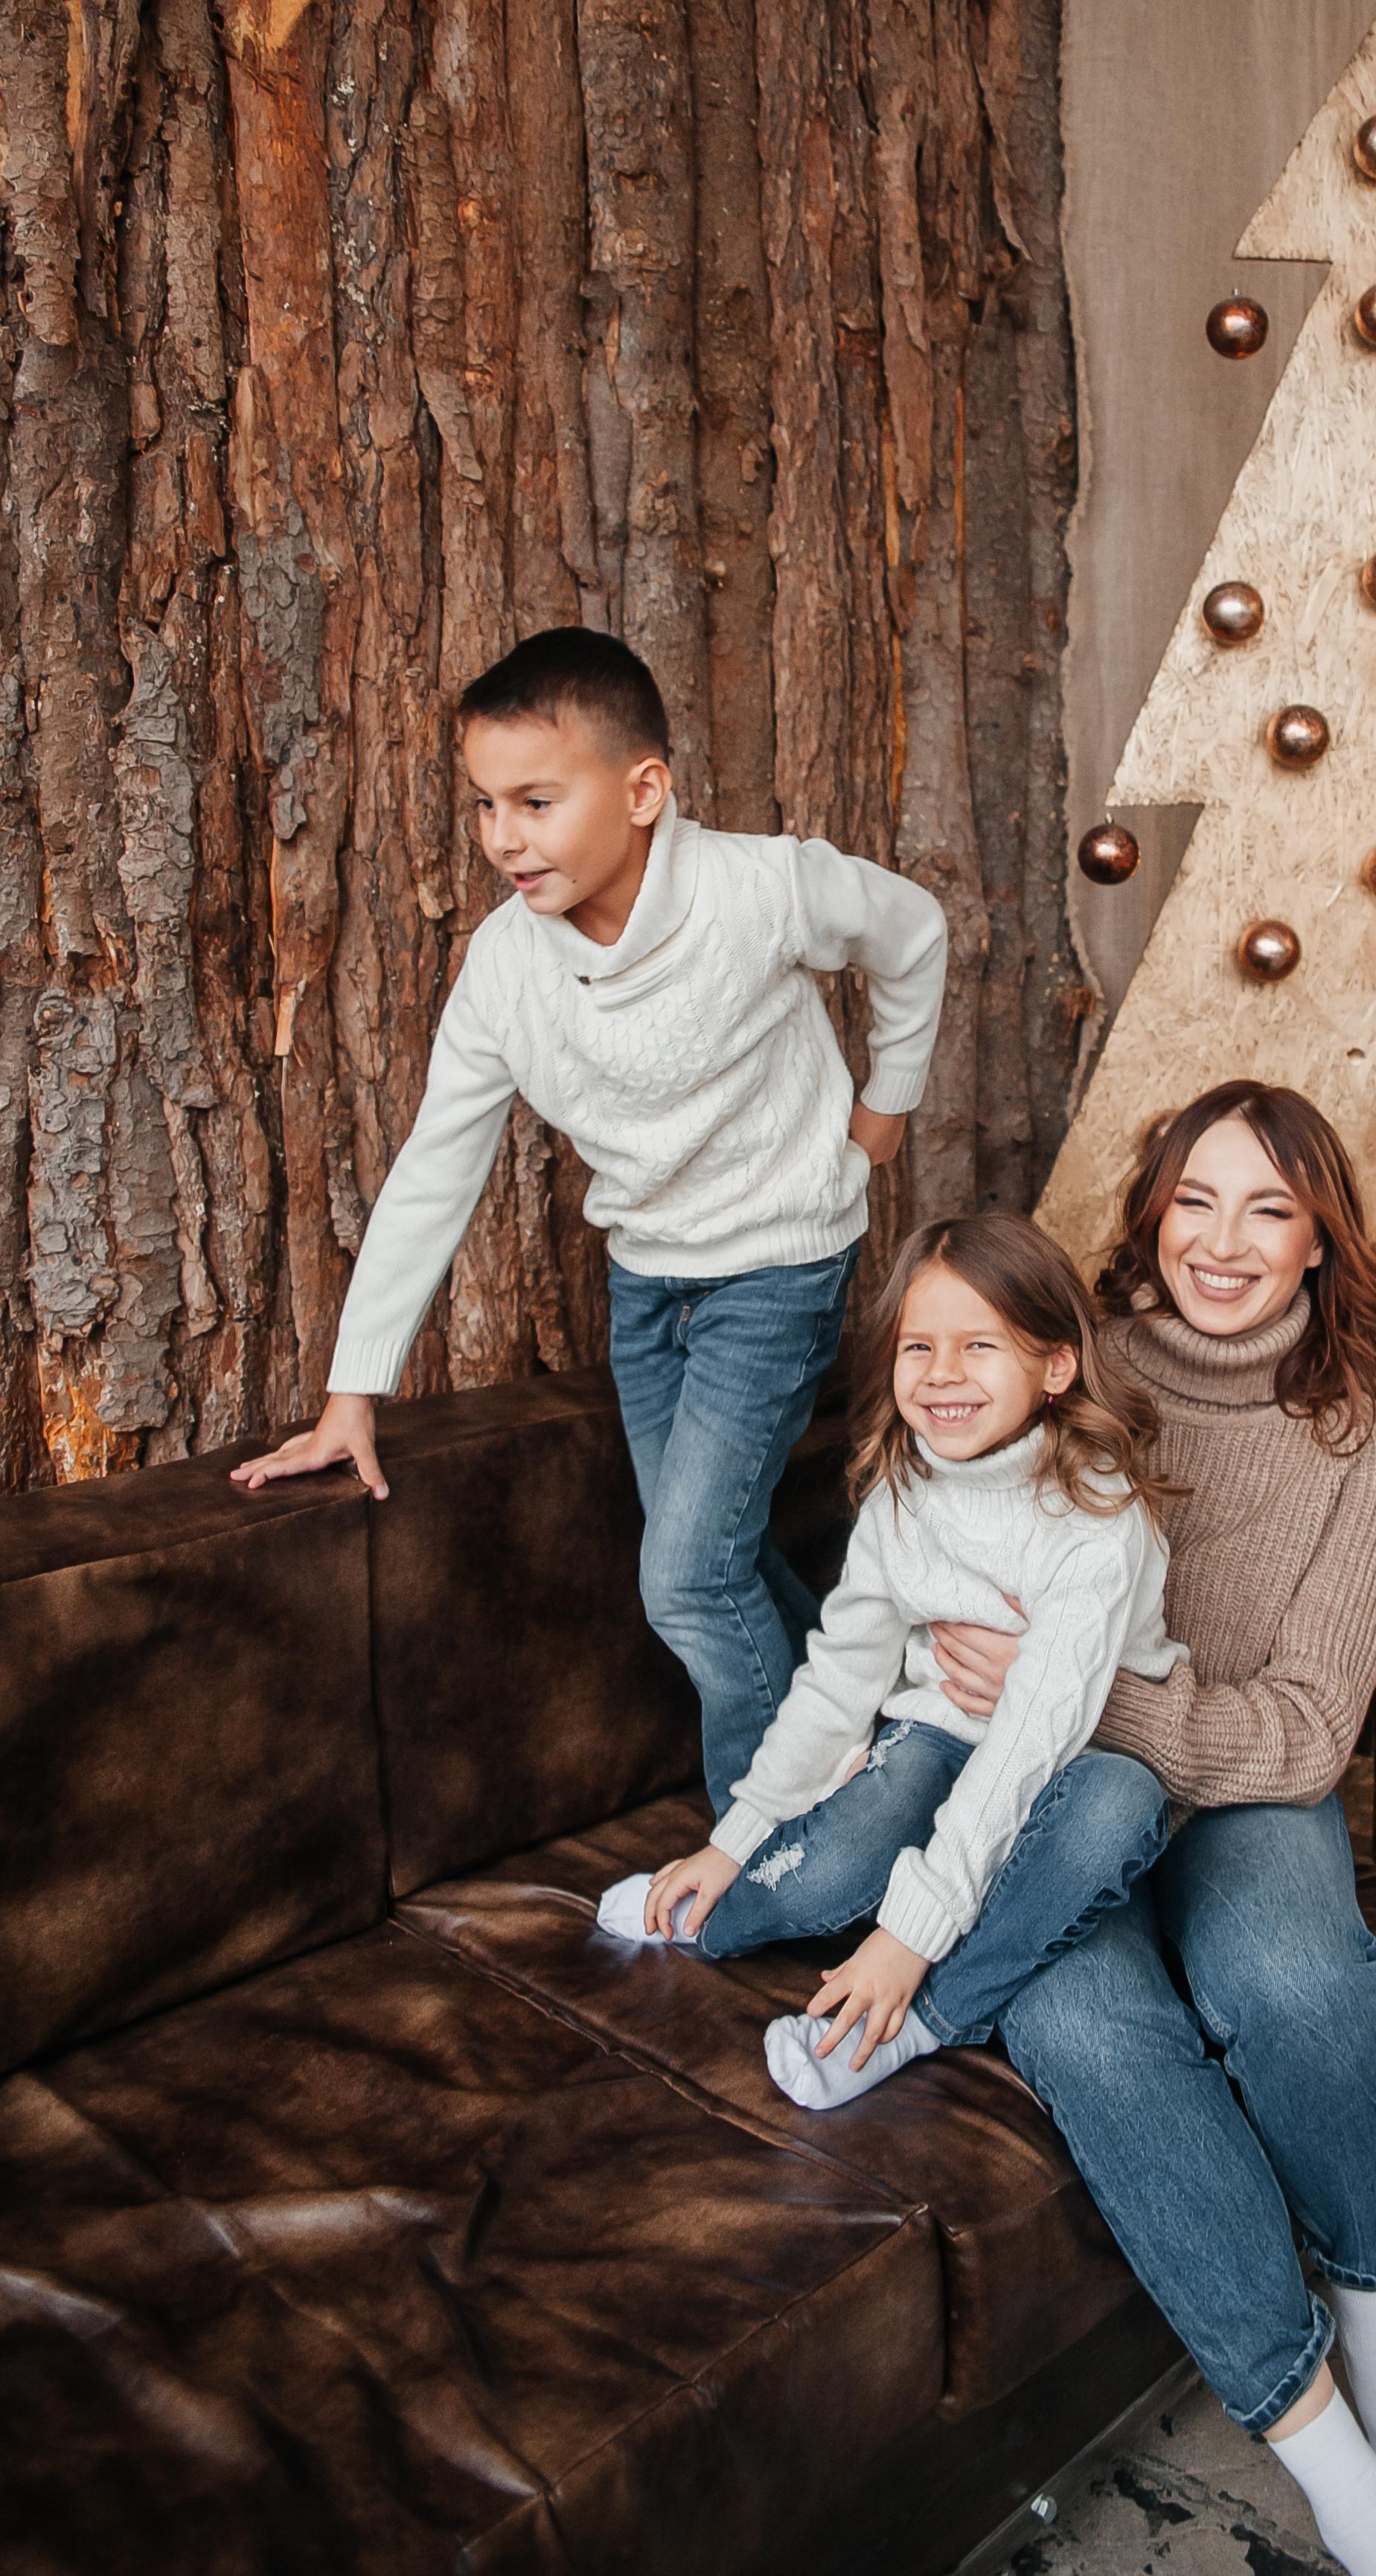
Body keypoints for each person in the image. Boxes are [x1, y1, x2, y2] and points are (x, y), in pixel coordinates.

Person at [929, 1085, 1376, 2576]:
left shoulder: (1351, 1439)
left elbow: (1306, 1729)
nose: (1222, 1242)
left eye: (1267, 1209)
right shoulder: (1070, 1364)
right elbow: (941, 1549)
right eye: (1194, 1201)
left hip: (1244, 1784)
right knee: (1089, 2029)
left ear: (1319, 1239)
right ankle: (1348, 2494)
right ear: (1151, 1214)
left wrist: (1089, 1690)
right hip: (1051, 1797)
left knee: (1289, 1970)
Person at [231, 627, 947, 1811]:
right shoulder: (505, 968)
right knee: (707, 1561)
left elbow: (911, 929)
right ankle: (881, 1733)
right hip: (648, 1282)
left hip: (778, 1265)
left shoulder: (760, 887)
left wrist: (889, 1099)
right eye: (485, 804)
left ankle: (769, 1838)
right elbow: (436, 1166)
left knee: (687, 1580)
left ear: (644, 790)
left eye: (537, 801)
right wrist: (353, 1390)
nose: (503, 836)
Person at [595, 1213, 1178, 2110]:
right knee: (830, 1862)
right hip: (939, 1738)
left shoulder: (1096, 1520)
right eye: (918, 1346)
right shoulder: (905, 1492)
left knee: (1119, 1803)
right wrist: (731, 1842)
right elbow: (840, 1678)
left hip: (1069, 1765)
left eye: (979, 1345)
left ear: (1057, 1366)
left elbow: (1032, 1737)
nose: (942, 1372)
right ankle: (709, 1919)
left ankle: (916, 2022)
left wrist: (906, 1939)